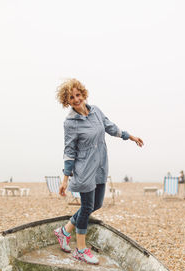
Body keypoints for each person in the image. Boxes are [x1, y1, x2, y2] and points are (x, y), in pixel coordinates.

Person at [54, 79, 143, 265]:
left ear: (83, 94)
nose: (76, 99)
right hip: (84, 169)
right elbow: (69, 151)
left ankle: (64, 231)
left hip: (100, 165)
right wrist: (65, 179)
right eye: (71, 97)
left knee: (97, 204)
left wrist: (130, 136)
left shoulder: (95, 111)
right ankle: (80, 249)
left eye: (78, 95)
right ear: (67, 101)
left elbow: (110, 127)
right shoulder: (70, 123)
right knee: (87, 207)